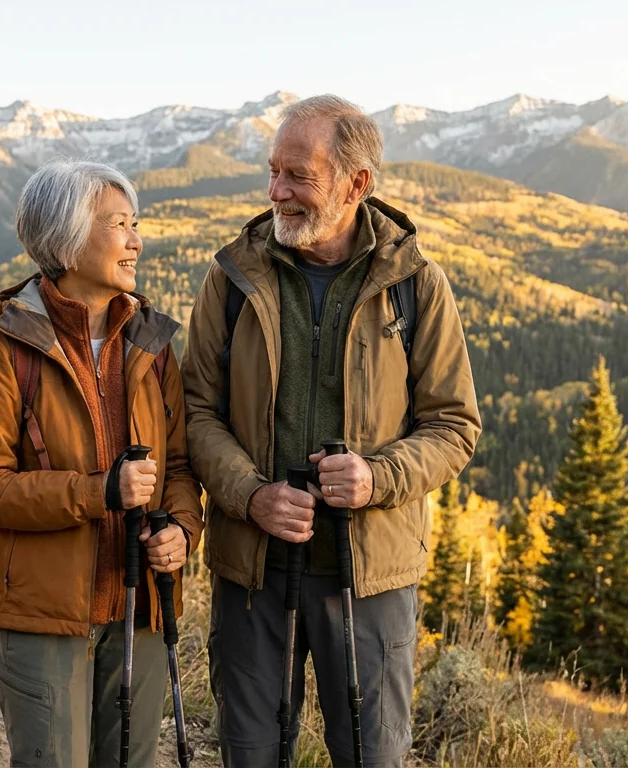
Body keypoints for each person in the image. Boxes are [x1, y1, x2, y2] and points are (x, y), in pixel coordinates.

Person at [182, 95, 482, 767]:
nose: (275, 192)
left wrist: (378, 478)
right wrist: (250, 494)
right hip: (254, 573)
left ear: (357, 184)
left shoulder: (417, 285)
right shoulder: (231, 278)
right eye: (273, 172)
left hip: (370, 577)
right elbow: (195, 411)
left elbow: (454, 425)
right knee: (251, 756)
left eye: (296, 176)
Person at [0, 160, 204, 767]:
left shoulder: (151, 344)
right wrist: (98, 492)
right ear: (67, 241)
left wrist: (181, 530)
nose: (136, 240)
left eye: (135, 223)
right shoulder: (2, 349)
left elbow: (177, 467)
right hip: (43, 613)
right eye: (118, 224)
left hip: (141, 606)